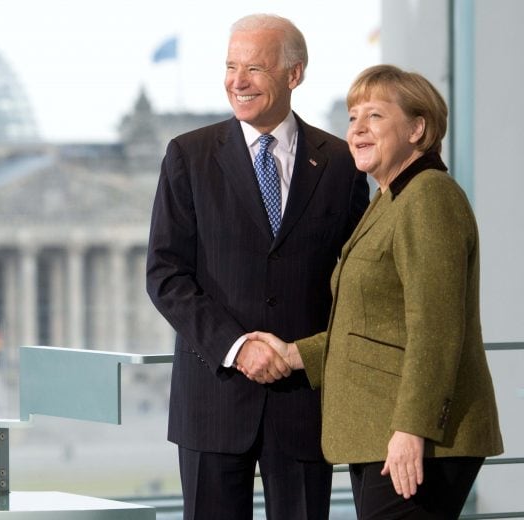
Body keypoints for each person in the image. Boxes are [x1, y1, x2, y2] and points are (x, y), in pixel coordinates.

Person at [244, 64, 504, 519]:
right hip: (383, 433)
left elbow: (436, 328)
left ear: (417, 129)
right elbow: (374, 327)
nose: (357, 129)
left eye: (375, 117)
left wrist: (411, 429)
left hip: (415, 439)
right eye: (352, 117)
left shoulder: (428, 197)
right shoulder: (390, 199)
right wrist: (293, 354)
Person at [145, 13, 370, 520]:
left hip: (304, 404)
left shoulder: (340, 163)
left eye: (254, 68)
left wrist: (302, 354)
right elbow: (165, 274)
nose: (237, 82)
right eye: (230, 66)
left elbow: (355, 281)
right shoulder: (189, 155)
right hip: (212, 401)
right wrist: (237, 345)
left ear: (294, 75)